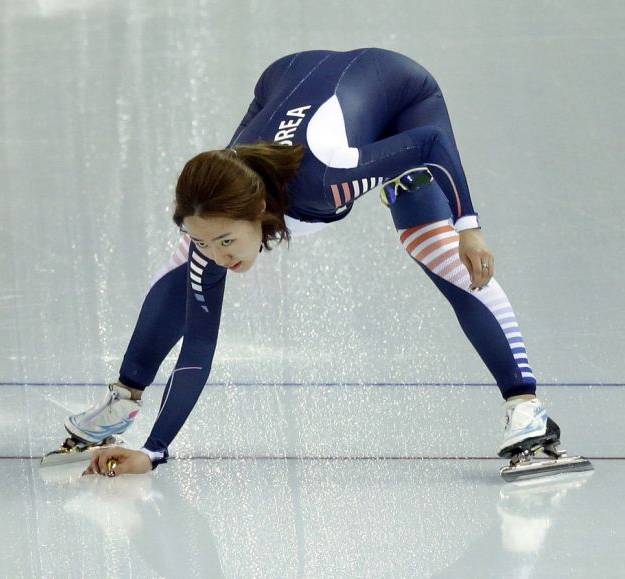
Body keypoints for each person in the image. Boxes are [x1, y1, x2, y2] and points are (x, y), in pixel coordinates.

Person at [69, 48, 567, 477]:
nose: (217, 255)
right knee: (186, 266)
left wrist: (469, 227)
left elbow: (431, 145)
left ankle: (526, 408)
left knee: (431, 243)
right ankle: (123, 399)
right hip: (285, 79)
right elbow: (199, 346)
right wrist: (153, 451)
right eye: (206, 241)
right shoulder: (220, 211)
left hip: (399, 98)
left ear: (261, 212)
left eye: (225, 242)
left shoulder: (330, 180)